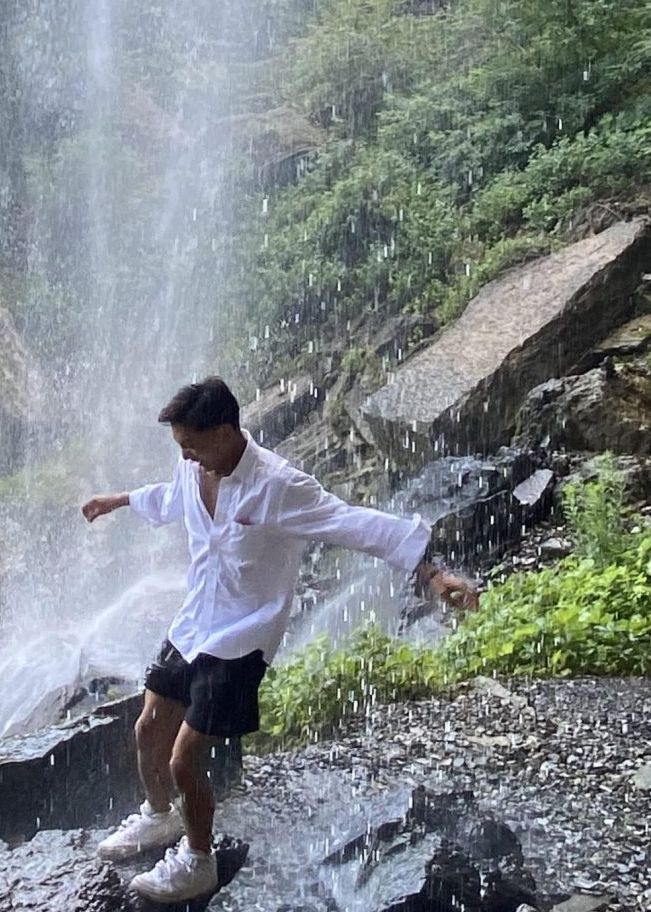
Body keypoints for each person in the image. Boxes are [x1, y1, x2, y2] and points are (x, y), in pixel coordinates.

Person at [80, 376, 478, 902]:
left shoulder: (279, 485)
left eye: (194, 446)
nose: (189, 458)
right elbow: (174, 497)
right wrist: (122, 500)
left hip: (242, 637)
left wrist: (431, 574)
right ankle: (158, 817)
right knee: (148, 729)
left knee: (183, 760)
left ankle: (198, 861)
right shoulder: (194, 465)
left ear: (226, 432)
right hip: (194, 619)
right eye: (182, 449)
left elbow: (350, 522)